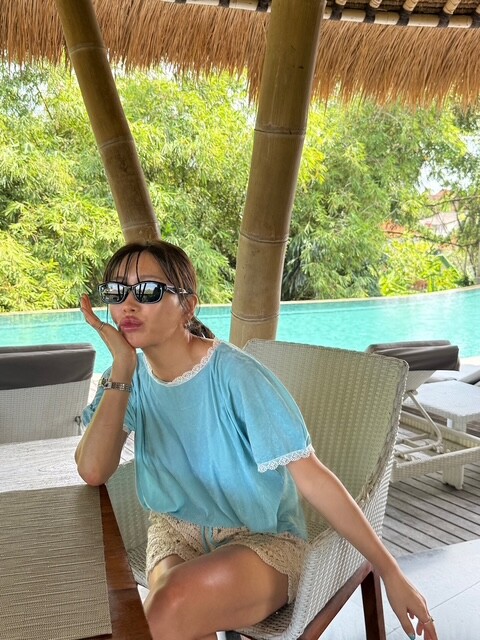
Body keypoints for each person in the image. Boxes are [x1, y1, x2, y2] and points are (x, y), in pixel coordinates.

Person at [76, 240, 438, 640]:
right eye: (116, 292)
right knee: (174, 617)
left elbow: (312, 478)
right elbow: (93, 470)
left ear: (187, 306)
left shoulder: (236, 375)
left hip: (260, 538)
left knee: (167, 606)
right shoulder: (127, 377)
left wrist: (391, 571)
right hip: (175, 532)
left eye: (147, 291)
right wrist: (123, 367)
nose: (128, 304)